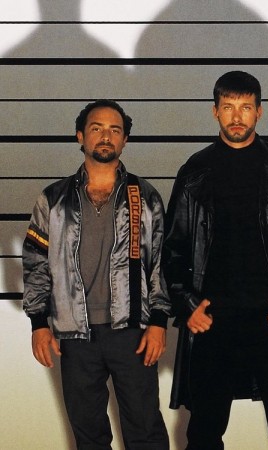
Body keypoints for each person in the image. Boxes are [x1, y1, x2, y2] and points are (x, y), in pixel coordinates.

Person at [162, 71, 268, 450]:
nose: (236, 116)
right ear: (215, 111)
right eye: (228, 107)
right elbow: (172, 248)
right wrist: (186, 304)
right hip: (213, 318)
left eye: (245, 107)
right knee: (204, 430)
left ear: (259, 112)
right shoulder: (195, 172)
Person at [22, 100, 171, 449]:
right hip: (75, 334)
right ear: (80, 136)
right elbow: (35, 262)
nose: (106, 136)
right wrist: (38, 324)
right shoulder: (53, 199)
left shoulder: (145, 196)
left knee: (145, 430)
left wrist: (159, 322)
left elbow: (161, 263)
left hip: (132, 332)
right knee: (88, 434)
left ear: (124, 140)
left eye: (115, 130)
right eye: (97, 128)